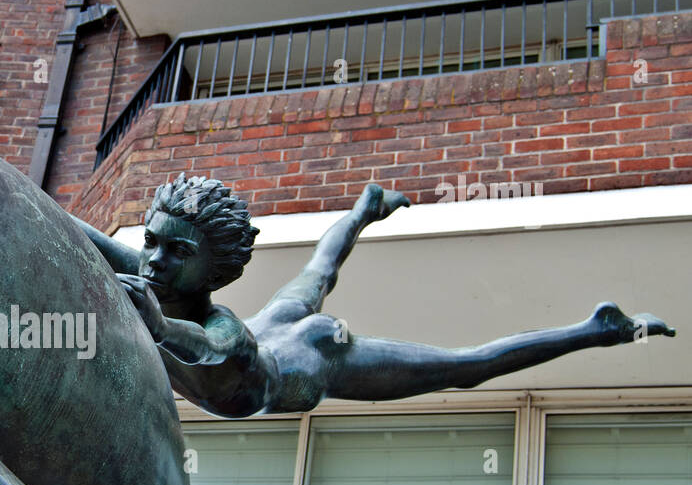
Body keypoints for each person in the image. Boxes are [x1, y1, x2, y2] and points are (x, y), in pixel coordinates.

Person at [72, 174, 675, 418]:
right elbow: (80, 233)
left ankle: (600, 328)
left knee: (466, 368)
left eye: (177, 252)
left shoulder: (221, 325)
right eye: (151, 243)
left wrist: (158, 326)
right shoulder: (155, 272)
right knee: (318, 269)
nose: (154, 259)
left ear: (210, 272)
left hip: (310, 361)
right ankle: (365, 207)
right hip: (280, 323)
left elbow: (203, 344)